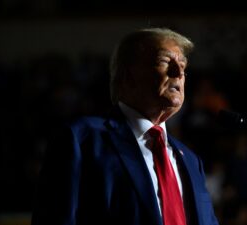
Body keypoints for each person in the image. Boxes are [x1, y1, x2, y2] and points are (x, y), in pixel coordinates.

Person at [31, 27, 219, 225]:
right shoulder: (81, 140)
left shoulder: (191, 160)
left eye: (183, 66)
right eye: (165, 61)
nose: (178, 72)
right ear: (128, 76)